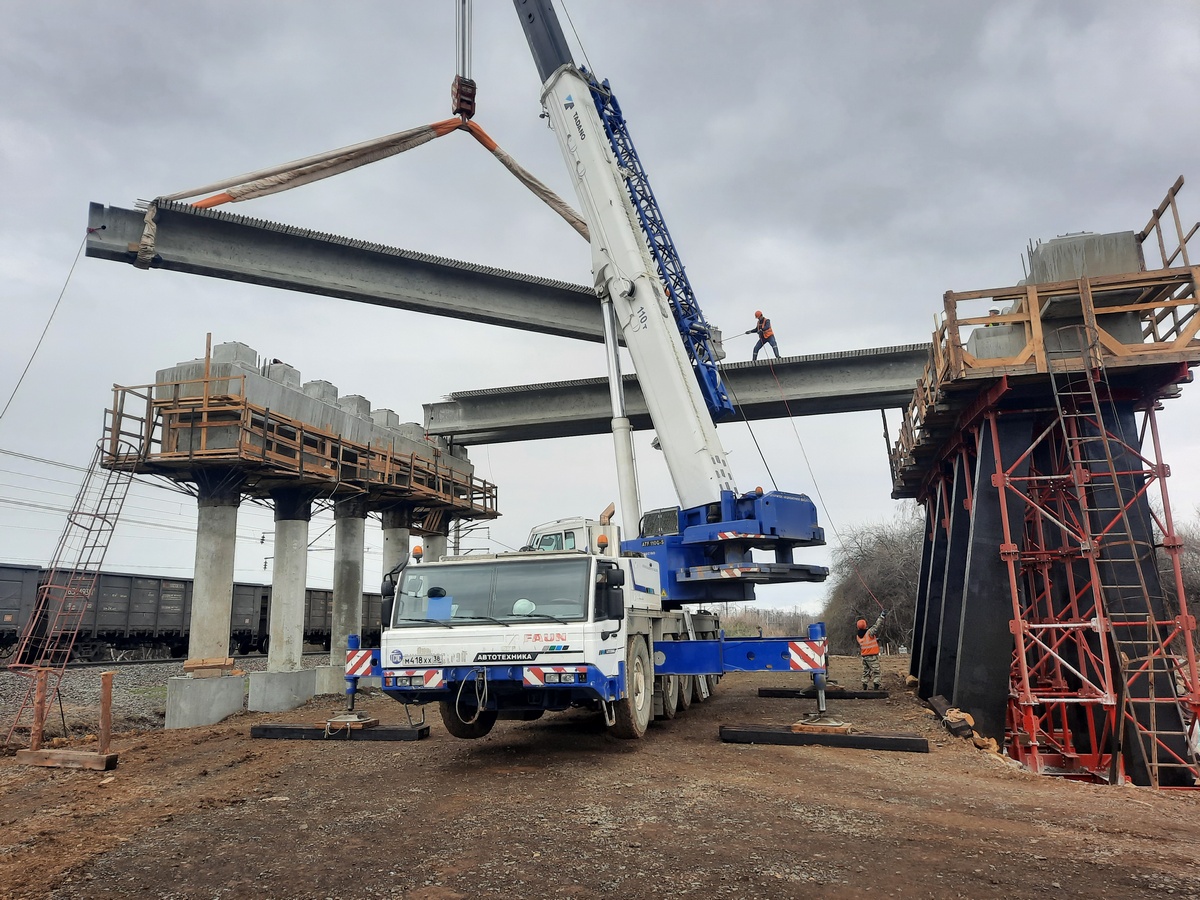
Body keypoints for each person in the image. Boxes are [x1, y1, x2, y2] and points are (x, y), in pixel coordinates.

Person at [856, 610, 887, 690]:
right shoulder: (870, 632)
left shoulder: (858, 636)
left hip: (864, 657)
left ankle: (864, 685)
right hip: (872, 656)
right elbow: (877, 625)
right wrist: (882, 616)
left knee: (866, 672)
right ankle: (876, 686)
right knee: (876, 671)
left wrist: (875, 640)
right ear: (865, 625)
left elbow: (866, 642)